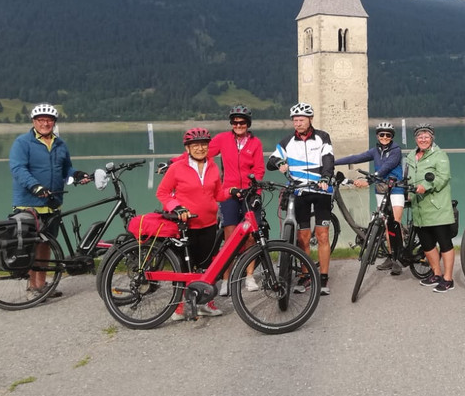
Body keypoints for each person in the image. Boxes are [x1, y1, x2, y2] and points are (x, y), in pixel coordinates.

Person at [169, 105, 266, 295]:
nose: (238, 125)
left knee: (250, 237)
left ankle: (249, 276)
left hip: (249, 193)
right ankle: (226, 280)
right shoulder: (223, 139)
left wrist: (255, 189)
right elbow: (199, 153)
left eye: (242, 122)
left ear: (248, 124)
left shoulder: (256, 143)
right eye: (235, 122)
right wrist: (173, 162)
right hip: (229, 192)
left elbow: (259, 169)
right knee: (230, 237)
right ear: (231, 123)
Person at [9, 103, 91, 299]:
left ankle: (42, 284)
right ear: (34, 122)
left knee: (47, 245)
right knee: (31, 245)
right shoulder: (22, 142)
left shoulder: (60, 144)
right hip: (28, 204)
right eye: (41, 120)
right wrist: (35, 186)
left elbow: (66, 169)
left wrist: (77, 174)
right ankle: (32, 287)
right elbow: (18, 168)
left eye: (49, 120)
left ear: (54, 122)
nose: (45, 124)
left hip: (52, 203)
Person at [157, 127, 228, 319]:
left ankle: (205, 304)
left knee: (207, 267)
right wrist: (176, 207)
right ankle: (179, 308)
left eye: (203, 144)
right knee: (182, 268)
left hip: (209, 224)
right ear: (187, 148)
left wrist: (232, 192)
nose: (200, 148)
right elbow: (162, 193)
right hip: (185, 226)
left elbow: (218, 194)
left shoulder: (213, 166)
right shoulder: (177, 168)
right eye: (195, 145)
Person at [267, 103, 335, 296]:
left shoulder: (322, 137)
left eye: (301, 120)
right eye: (295, 120)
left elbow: (328, 159)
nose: (298, 123)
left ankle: (323, 277)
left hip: (321, 190)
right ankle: (306, 275)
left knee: (322, 235)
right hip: (299, 192)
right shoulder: (287, 141)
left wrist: (325, 177)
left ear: (310, 119)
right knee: (302, 238)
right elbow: (270, 161)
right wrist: (280, 162)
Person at [335, 121, 405, 276]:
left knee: (395, 222)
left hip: (396, 189)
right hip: (381, 190)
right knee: (385, 224)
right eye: (382, 134)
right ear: (377, 136)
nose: (385, 137)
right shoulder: (375, 151)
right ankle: (391, 256)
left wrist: (369, 180)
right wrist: (332, 162)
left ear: (392, 137)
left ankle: (398, 257)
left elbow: (386, 167)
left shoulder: (396, 151)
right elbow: (356, 158)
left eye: (388, 135)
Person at [405, 123, 457, 293]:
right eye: (420, 136)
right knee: (427, 244)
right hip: (419, 208)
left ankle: (448, 279)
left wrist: (426, 186)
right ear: (415, 139)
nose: (423, 139)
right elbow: (408, 177)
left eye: (426, 136)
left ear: (432, 138)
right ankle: (436, 274)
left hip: (437, 207)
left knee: (444, 243)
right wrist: (407, 192)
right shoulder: (410, 156)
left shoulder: (440, 155)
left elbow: (443, 177)